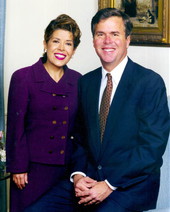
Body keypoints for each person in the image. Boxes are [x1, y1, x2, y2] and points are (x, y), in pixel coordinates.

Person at [25, 7, 170, 212]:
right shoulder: (86, 83)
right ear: (94, 41)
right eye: (100, 34)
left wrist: (109, 184)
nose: (107, 41)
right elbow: (80, 139)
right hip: (89, 181)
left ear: (128, 39)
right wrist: (78, 176)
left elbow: (151, 149)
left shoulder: (149, 83)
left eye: (115, 34)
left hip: (129, 187)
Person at [6, 13, 81, 212]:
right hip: (30, 172)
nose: (61, 49)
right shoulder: (23, 77)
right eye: (56, 41)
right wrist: (18, 167)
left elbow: (81, 131)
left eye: (68, 44)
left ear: (74, 50)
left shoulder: (78, 81)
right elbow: (16, 127)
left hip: (65, 172)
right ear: (45, 43)